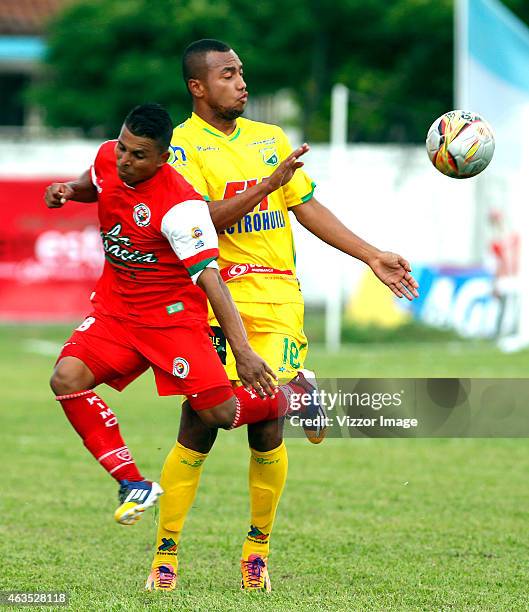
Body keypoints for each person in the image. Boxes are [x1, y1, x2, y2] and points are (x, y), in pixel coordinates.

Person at [146, 40, 419, 592]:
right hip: (218, 301)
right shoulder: (181, 149)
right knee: (204, 423)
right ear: (198, 87)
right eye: (227, 75)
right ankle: (166, 553)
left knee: (266, 426)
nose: (242, 82)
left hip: (279, 303)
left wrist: (371, 255)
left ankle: (256, 553)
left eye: (242, 72)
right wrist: (267, 186)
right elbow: (199, 221)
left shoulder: (271, 139)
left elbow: (307, 205)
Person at [44, 103, 317, 529]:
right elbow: (93, 183)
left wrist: (243, 351)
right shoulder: (108, 159)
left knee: (220, 416)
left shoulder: (182, 210)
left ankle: (295, 395)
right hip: (117, 314)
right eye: (122, 147)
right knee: (66, 378)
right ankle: (132, 483)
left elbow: (213, 282)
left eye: (138, 155)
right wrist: (66, 189)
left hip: (172, 322)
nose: (124, 160)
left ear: (163, 158)